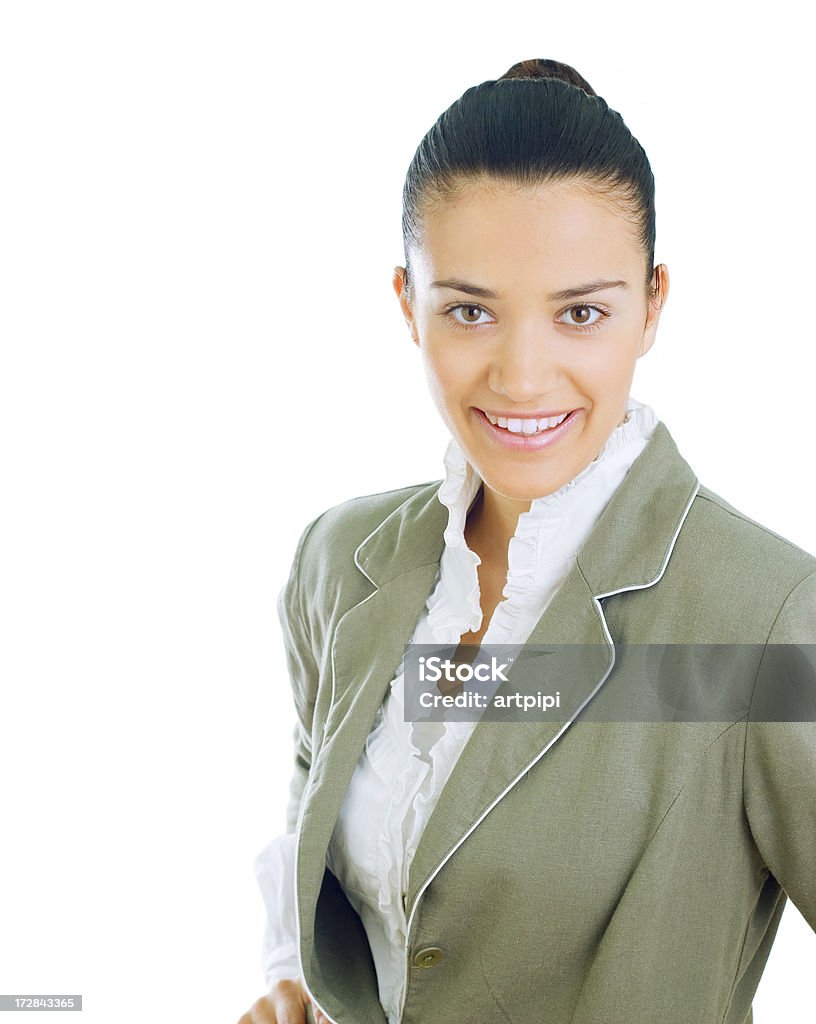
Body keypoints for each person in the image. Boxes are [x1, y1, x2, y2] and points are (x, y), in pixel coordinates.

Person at [237, 58, 816, 1024]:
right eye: (469, 310)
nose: (522, 376)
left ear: (653, 306)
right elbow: (324, 839)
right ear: (405, 304)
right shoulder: (341, 564)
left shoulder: (761, 624)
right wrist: (293, 987)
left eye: (581, 313)